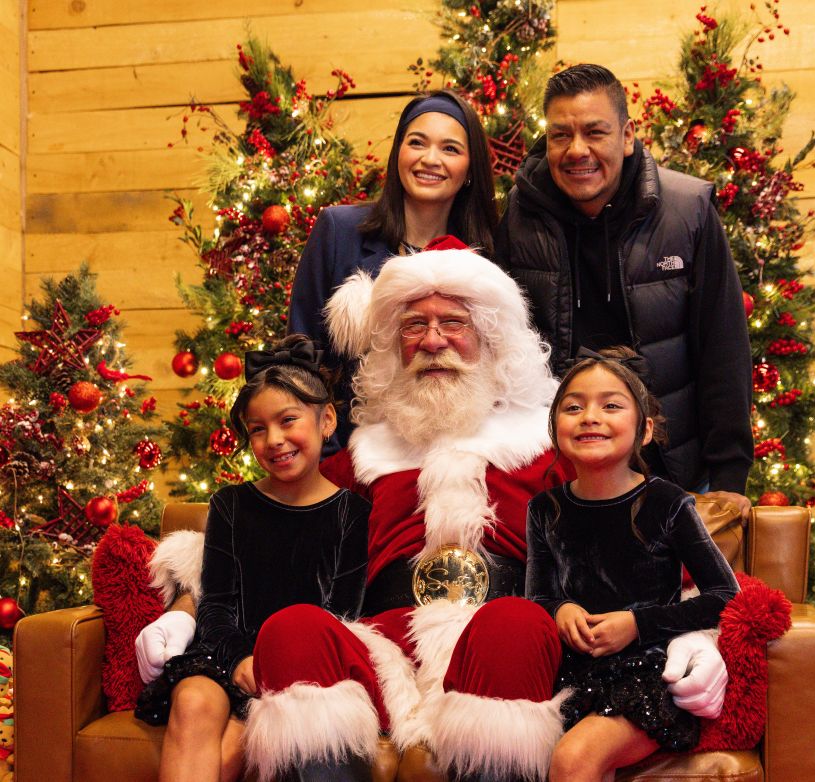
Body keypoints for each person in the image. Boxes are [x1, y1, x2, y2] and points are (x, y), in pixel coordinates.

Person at [139, 249, 729, 782]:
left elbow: (640, 545)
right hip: (382, 649)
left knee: (515, 625)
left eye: (453, 323)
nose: (432, 340)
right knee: (293, 627)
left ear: (491, 339)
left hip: (504, 646)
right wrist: (187, 609)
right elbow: (266, 537)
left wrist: (694, 638)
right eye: (414, 326)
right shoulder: (363, 456)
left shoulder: (549, 451)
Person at [493, 63, 754, 518]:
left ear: (627, 136)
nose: (577, 150)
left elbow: (723, 343)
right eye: (560, 135)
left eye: (595, 132)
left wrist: (729, 474)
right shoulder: (519, 216)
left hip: (676, 471)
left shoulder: (686, 211)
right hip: (559, 474)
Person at [134, 334, 369, 782]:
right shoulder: (230, 505)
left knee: (227, 758)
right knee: (194, 699)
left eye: (287, 420)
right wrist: (240, 658)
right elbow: (217, 604)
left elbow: (343, 612)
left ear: (326, 420)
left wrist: (275, 667)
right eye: (258, 429)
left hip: (301, 671)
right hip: (228, 658)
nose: (274, 440)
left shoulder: (352, 514)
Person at [526, 348, 739, 782]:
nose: (590, 416)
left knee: (574, 760)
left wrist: (636, 625)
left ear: (645, 430)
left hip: (647, 674)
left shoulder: (668, 503)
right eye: (573, 407)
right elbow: (539, 597)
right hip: (568, 673)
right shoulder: (544, 509)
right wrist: (561, 610)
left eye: (610, 405)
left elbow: (724, 597)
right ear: (554, 428)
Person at [288, 88, 497, 447]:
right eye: (417, 143)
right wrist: (328, 461)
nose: (430, 159)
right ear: (398, 152)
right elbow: (301, 356)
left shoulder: (487, 258)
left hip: (447, 462)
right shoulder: (338, 230)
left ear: (469, 170)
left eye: (450, 149)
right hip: (348, 459)